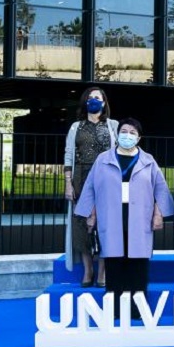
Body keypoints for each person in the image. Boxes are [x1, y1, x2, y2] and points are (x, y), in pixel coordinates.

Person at [75, 118, 174, 321]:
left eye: (132, 132)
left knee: (138, 264)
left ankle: (138, 310)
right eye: (124, 131)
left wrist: (158, 214)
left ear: (138, 137)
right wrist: (90, 214)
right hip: (111, 215)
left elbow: (161, 189)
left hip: (140, 217)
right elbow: (91, 188)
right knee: (114, 262)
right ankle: (115, 309)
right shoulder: (103, 159)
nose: (127, 135)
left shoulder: (148, 160)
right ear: (118, 134)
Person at [63, 87, 119, 288]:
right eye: (90, 98)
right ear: (85, 102)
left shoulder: (113, 125)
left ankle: (103, 271)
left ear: (104, 103)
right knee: (81, 224)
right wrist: (68, 182)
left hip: (107, 178)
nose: (94, 101)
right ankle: (88, 270)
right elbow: (69, 154)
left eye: (98, 98)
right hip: (81, 177)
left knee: (106, 223)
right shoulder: (76, 127)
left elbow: (120, 153)